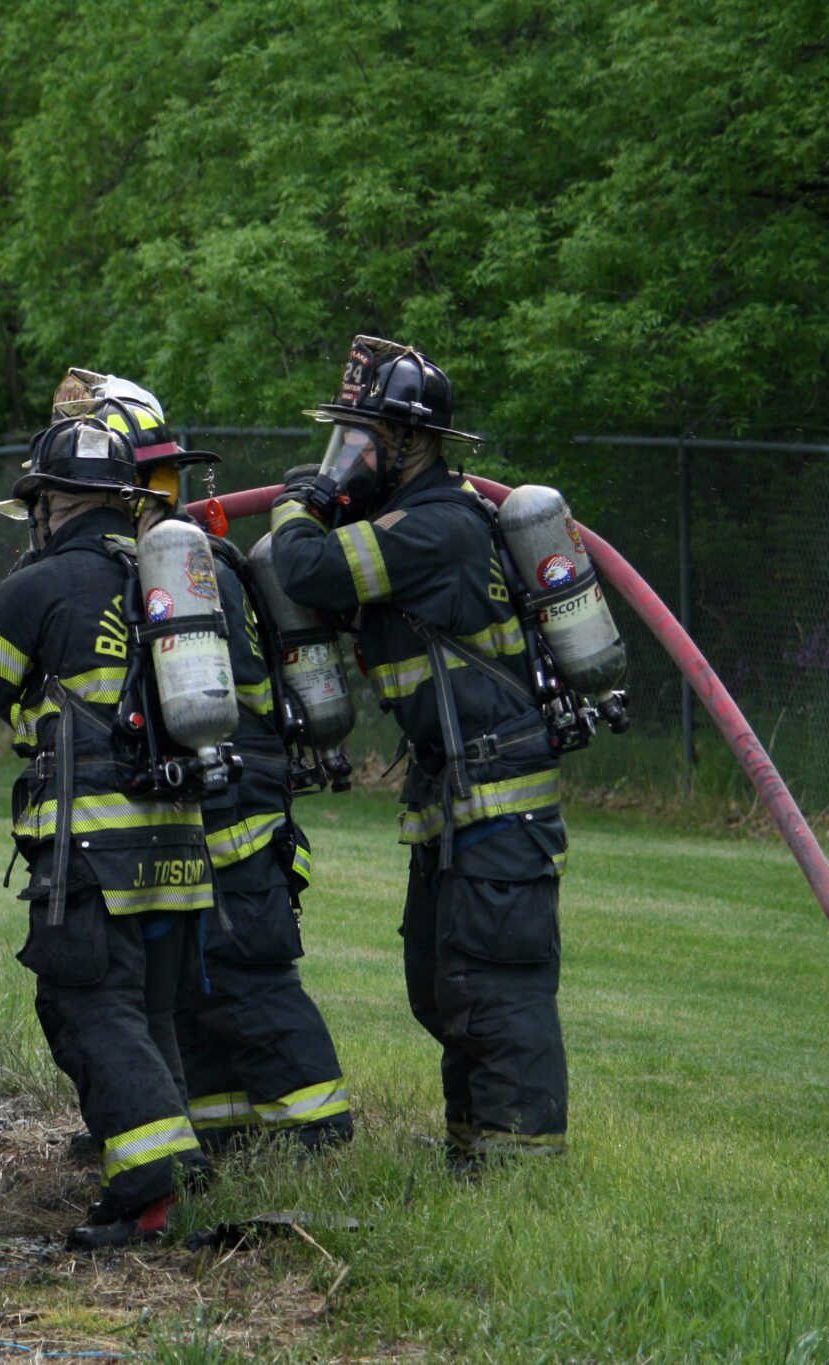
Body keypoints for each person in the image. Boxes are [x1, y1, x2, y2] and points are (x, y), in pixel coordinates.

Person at [0, 370, 353, 1156]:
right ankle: (205, 1142)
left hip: (231, 817)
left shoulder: (190, 572)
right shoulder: (144, 573)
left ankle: (319, 1149)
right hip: (191, 812)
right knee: (190, 1001)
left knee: (247, 987)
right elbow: (55, 652)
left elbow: (44, 655)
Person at [0, 413, 210, 1249]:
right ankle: (177, 1179)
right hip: (178, 846)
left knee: (90, 1008)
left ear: (52, 501)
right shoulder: (153, 574)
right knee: (150, 1013)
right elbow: (44, 641)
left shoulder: (41, 584)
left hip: (92, 850)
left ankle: (148, 1190)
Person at [269, 336, 568, 1167]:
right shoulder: (406, 523)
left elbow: (307, 568)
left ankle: (523, 1173)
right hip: (455, 783)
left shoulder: (435, 526)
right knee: (444, 984)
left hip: (497, 788)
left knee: (495, 987)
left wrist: (309, 499)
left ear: (407, 440)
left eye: (359, 436)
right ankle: (474, 1152)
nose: (347, 453)